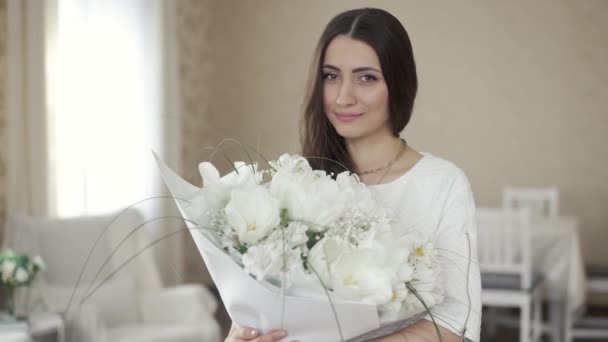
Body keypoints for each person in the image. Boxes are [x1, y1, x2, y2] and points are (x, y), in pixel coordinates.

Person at [226, 7, 481, 342]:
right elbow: (261, 304)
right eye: (331, 76)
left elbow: (456, 320)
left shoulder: (442, 184)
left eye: (366, 78)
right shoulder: (296, 182)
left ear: (399, 83)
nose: (343, 97)